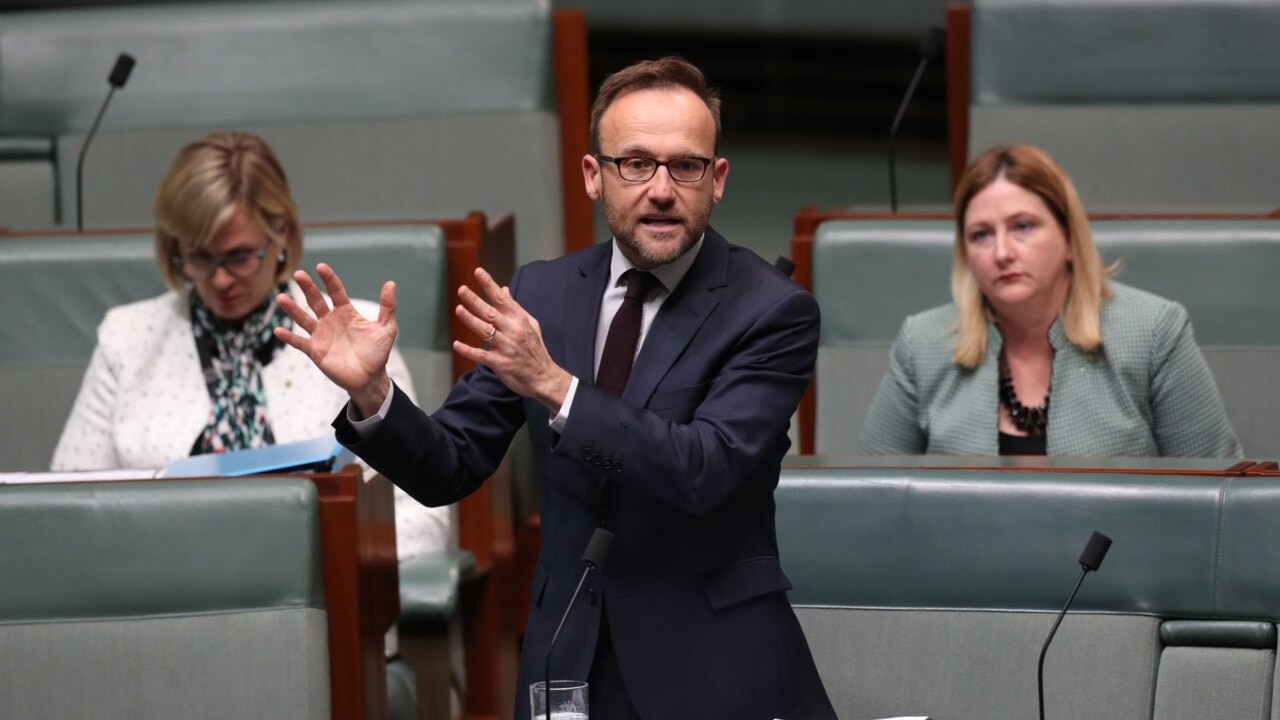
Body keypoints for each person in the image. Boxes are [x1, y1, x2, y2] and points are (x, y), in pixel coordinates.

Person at [276, 57, 836, 719]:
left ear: (717, 182)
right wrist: (374, 395)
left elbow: (705, 469)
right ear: (593, 176)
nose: (660, 189)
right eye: (635, 162)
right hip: (565, 658)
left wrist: (556, 386)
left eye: (684, 166)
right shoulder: (542, 293)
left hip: (711, 665)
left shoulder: (772, 310)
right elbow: (449, 466)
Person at [51, 131, 451, 559]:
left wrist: (293, 560)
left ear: (280, 235)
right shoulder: (126, 339)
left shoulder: (360, 336)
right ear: (174, 247)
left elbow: (423, 518)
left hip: (320, 602)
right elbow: (67, 512)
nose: (221, 280)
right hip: (164, 596)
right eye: (201, 257)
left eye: (240, 257)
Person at [858, 144, 1243, 458]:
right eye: (981, 235)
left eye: (1023, 226)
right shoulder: (923, 343)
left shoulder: (1153, 332)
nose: (1002, 252)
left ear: (1069, 237)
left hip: (1117, 554)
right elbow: (871, 498)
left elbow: (1220, 505)